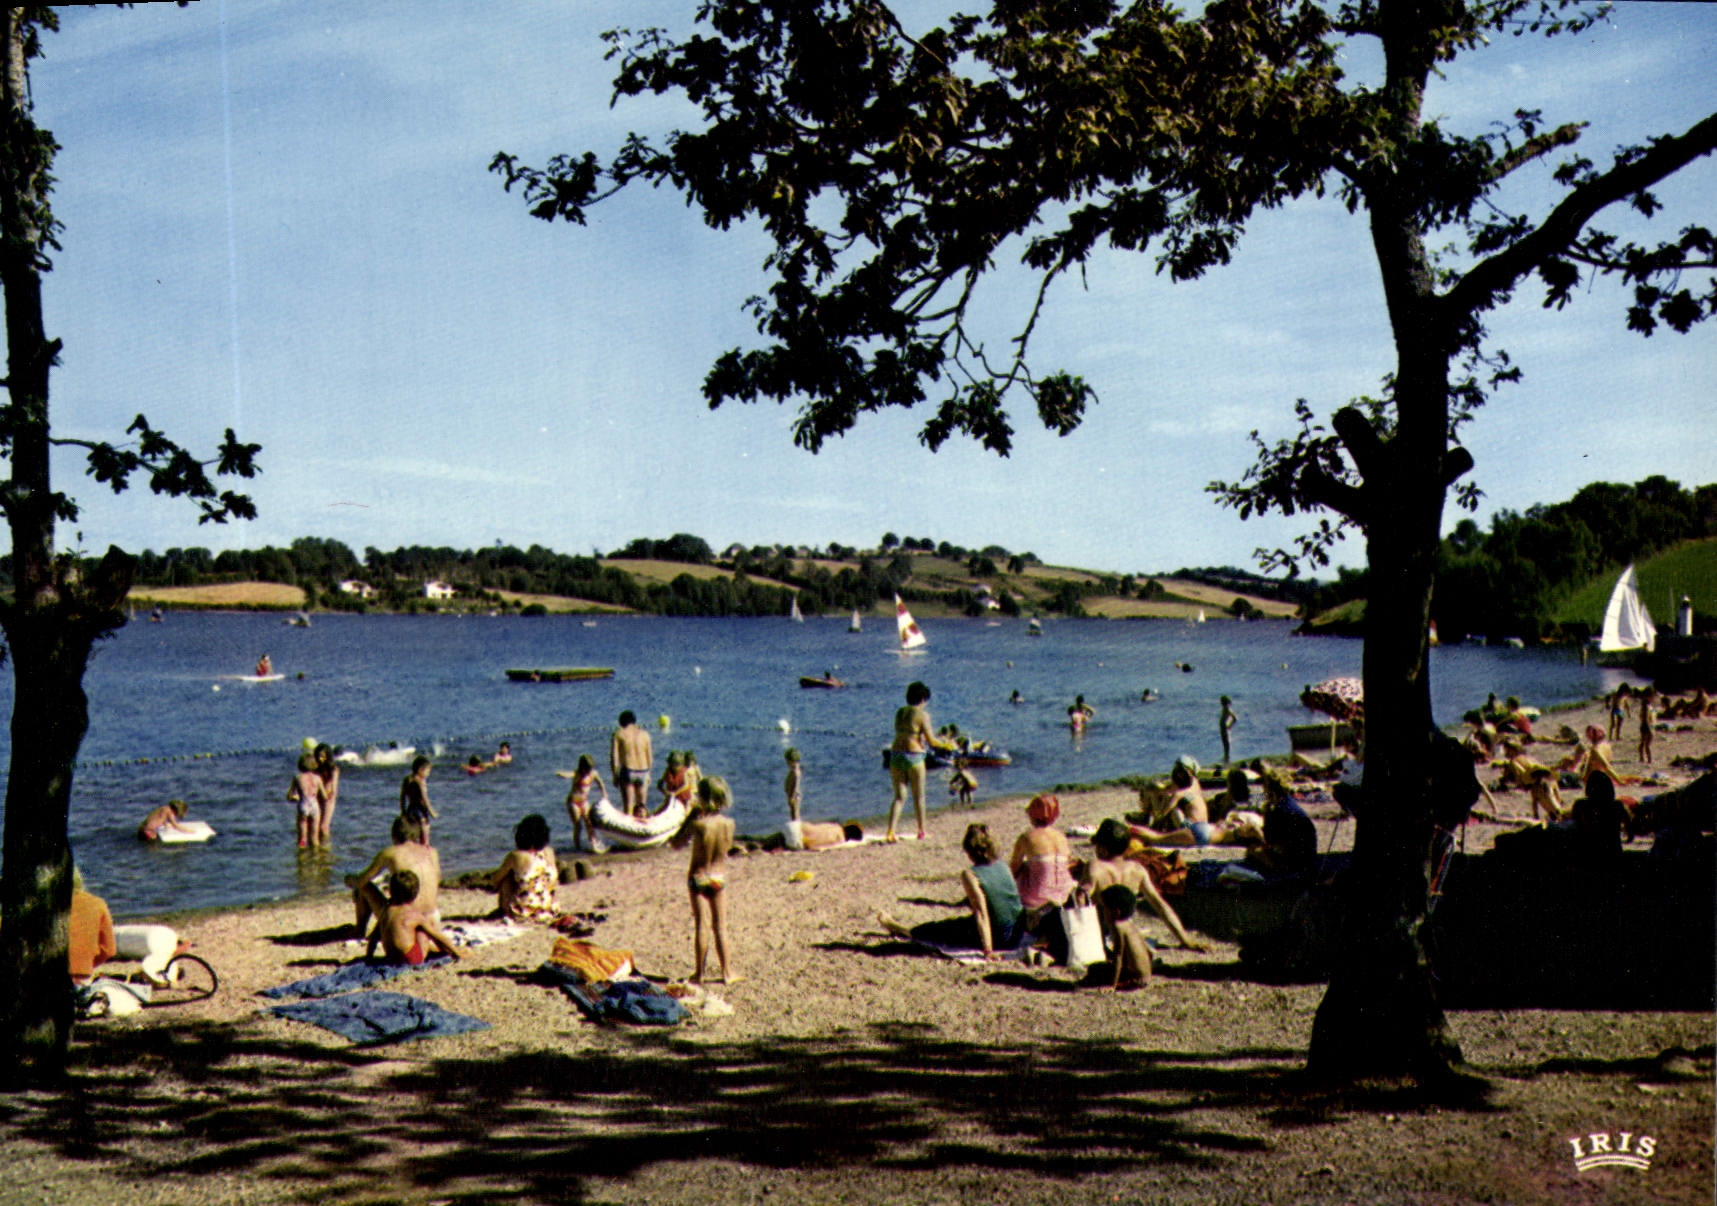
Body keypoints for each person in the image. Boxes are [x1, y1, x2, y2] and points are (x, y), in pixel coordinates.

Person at [877, 823, 1025, 961]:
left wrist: (988, 950)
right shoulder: (1003, 866)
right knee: (959, 923)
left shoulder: (971, 874)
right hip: (1016, 934)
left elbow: (981, 913)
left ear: (968, 850)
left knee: (937, 929)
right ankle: (907, 931)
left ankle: (903, 931)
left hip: (998, 937)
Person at [1084, 818, 1209, 951]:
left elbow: (1081, 898)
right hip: (1126, 935)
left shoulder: (1095, 867)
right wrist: (1185, 939)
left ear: (1102, 849)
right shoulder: (1137, 870)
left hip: (1098, 935)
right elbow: (1161, 906)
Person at [674, 776, 739, 984]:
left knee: (702, 925)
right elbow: (726, 849)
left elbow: (676, 843)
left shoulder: (699, 825)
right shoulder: (729, 824)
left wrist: (689, 817)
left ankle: (699, 974)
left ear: (703, 798)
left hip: (698, 876)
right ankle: (727, 972)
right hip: (718, 877)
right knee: (721, 926)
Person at [346, 816, 441, 944]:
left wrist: (350, 880)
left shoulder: (390, 853)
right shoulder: (432, 852)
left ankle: (359, 930)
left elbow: (362, 879)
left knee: (365, 886)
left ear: (394, 835)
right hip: (432, 917)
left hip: (406, 919)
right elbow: (437, 880)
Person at [374, 870, 462, 966]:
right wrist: (457, 953)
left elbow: (374, 936)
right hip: (410, 958)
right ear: (415, 894)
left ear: (390, 890)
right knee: (424, 925)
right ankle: (445, 952)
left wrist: (369, 956)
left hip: (391, 956)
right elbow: (438, 936)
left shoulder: (386, 910)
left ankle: (437, 950)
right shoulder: (414, 915)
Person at [488, 813, 563, 924]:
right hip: (550, 909)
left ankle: (503, 910)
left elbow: (496, 880)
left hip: (523, 912)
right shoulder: (549, 852)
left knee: (506, 878)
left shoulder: (515, 856)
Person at [1010, 793, 1075, 918]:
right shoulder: (1061, 836)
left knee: (1024, 867)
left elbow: (1014, 869)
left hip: (1039, 898)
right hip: (1065, 895)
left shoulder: (1026, 837)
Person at [886, 681, 935, 843]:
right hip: (914, 756)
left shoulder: (900, 712)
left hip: (895, 755)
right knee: (918, 796)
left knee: (899, 797)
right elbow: (932, 741)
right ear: (923, 698)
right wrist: (947, 745)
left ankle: (890, 831)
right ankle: (921, 831)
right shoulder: (923, 715)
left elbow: (902, 732)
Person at [1095, 885, 1153, 991]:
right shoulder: (1129, 924)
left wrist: (1113, 985)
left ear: (1116, 912)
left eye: (1104, 908)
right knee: (1100, 968)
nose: (1102, 912)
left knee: (1095, 970)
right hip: (1145, 978)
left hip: (1135, 981)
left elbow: (1118, 956)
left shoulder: (1118, 927)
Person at [68, 870, 116, 984]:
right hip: (83, 974)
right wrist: (86, 963)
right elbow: (109, 950)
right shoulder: (97, 904)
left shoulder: (41, 906)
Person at [610, 710, 654, 817]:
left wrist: (615, 775)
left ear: (621, 722)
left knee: (629, 806)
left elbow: (614, 757)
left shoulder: (619, 734)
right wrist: (648, 773)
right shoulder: (645, 734)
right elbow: (650, 757)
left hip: (628, 770)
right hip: (643, 770)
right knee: (642, 806)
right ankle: (642, 829)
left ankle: (628, 831)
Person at [563, 754, 608, 852]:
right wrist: (562, 775)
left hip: (584, 801)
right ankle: (577, 847)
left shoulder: (593, 773)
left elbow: (600, 782)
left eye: (589, 769)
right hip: (573, 802)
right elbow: (570, 774)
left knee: (589, 823)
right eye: (586, 769)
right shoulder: (577, 774)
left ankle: (593, 843)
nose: (587, 772)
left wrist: (604, 793)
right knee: (578, 825)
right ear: (582, 767)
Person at [287, 752, 327, 849]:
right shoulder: (317, 778)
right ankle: (316, 857)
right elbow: (324, 796)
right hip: (314, 806)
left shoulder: (297, 777)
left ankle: (302, 856)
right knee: (314, 838)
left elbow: (289, 796)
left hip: (303, 805)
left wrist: (296, 798)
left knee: (302, 838)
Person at [399, 755, 437, 844]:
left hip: (410, 809)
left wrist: (403, 811)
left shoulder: (407, 780)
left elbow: (402, 796)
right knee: (425, 831)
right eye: (428, 771)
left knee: (413, 832)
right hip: (421, 810)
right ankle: (425, 849)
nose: (428, 774)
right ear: (420, 769)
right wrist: (432, 812)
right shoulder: (420, 781)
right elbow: (424, 798)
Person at [313, 743, 340, 845]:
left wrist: (330, 793)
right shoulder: (317, 769)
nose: (320, 759)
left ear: (327, 756)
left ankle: (327, 847)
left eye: (322, 756)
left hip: (329, 799)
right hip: (318, 797)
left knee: (324, 826)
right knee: (316, 825)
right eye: (318, 756)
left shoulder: (333, 769)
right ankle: (318, 845)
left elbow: (333, 786)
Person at [655, 751, 693, 818]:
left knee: (686, 814)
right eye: (673, 764)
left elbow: (686, 785)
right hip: (671, 799)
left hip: (684, 799)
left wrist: (675, 793)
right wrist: (666, 792)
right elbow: (659, 785)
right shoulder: (667, 771)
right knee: (658, 813)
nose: (675, 767)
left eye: (677, 764)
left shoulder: (684, 771)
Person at [1637, 687, 1656, 764]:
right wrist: (1649, 728)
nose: (1654, 698)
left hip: (1647, 725)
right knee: (1647, 744)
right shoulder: (1646, 706)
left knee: (1643, 743)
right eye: (1652, 696)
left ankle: (1642, 757)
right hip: (1647, 726)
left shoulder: (1647, 705)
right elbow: (1645, 718)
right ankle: (1649, 759)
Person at [1218, 696, 1238, 764]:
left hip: (1225, 727)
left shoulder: (1227, 709)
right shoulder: (1224, 708)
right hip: (1222, 727)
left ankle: (1227, 757)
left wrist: (1229, 725)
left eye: (1221, 701)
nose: (1220, 703)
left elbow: (1235, 718)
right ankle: (1225, 756)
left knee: (1226, 743)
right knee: (1224, 742)